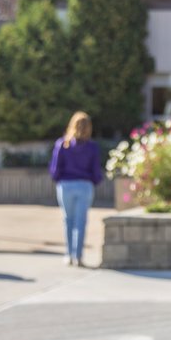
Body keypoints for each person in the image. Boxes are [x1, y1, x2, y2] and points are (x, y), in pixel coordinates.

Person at [49, 111, 101, 267]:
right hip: (85, 185)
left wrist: (59, 179)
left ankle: (69, 254)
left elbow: (55, 168)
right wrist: (93, 181)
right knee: (81, 221)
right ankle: (78, 256)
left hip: (66, 185)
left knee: (68, 220)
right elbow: (96, 171)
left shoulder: (62, 144)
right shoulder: (92, 147)